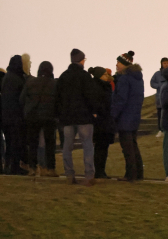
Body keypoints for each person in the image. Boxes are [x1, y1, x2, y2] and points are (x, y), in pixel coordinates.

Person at [55, 49, 100, 185]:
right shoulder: (85, 76)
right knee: (87, 146)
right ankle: (89, 175)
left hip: (67, 118)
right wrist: (94, 111)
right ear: (81, 60)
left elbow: (58, 98)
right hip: (84, 117)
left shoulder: (63, 76)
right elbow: (91, 96)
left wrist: (60, 115)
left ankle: (69, 174)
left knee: (67, 147)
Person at [112, 51, 145, 182]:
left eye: (118, 62)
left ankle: (131, 174)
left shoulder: (125, 78)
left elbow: (121, 99)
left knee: (127, 147)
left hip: (125, 117)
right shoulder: (138, 78)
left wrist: (113, 114)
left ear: (125, 64)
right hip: (135, 116)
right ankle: (138, 173)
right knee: (133, 145)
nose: (116, 65)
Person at [21, 61, 57, 177]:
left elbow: (21, 99)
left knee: (33, 143)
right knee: (50, 143)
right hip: (49, 116)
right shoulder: (54, 83)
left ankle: (32, 167)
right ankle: (51, 168)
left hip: (33, 116)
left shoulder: (30, 82)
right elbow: (59, 101)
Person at [1, 55, 28, 175]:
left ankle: (7, 166)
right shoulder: (18, 78)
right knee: (16, 143)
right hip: (15, 116)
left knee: (9, 143)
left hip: (5, 116)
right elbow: (21, 99)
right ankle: (15, 167)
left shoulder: (7, 77)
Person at [88, 67, 115, 179]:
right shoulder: (96, 87)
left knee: (104, 147)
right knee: (100, 146)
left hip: (106, 120)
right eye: (104, 74)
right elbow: (95, 103)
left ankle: (101, 170)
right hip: (100, 121)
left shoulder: (106, 86)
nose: (106, 76)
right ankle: (98, 171)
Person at [150, 57, 168, 138]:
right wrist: (158, 86)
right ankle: (161, 130)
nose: (166, 64)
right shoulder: (157, 74)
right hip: (159, 98)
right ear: (161, 64)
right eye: (164, 63)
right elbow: (152, 82)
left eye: (167, 63)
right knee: (160, 114)